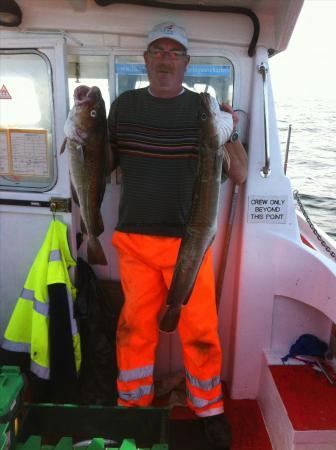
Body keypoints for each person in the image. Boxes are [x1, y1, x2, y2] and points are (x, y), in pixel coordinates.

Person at [108, 22, 247, 450]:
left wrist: (229, 132)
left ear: (185, 63)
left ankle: (209, 410)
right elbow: (104, 162)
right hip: (134, 239)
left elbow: (239, 173)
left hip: (191, 243)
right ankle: (132, 406)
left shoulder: (205, 114)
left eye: (174, 52)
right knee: (133, 328)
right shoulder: (123, 106)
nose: (165, 58)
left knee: (201, 328)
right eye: (157, 51)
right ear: (146, 60)